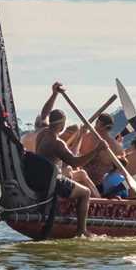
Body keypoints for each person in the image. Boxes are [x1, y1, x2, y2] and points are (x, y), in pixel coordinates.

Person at [34, 83, 107, 237]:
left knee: (74, 180)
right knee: (85, 192)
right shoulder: (57, 143)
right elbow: (76, 163)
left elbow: (44, 112)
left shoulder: (42, 132)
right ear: (61, 124)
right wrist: (97, 149)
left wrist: (54, 94)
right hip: (52, 181)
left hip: (39, 177)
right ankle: (81, 231)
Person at [81, 113, 124, 187]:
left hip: (86, 182)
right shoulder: (117, 146)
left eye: (96, 122)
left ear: (98, 123)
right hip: (101, 184)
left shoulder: (85, 138)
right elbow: (122, 164)